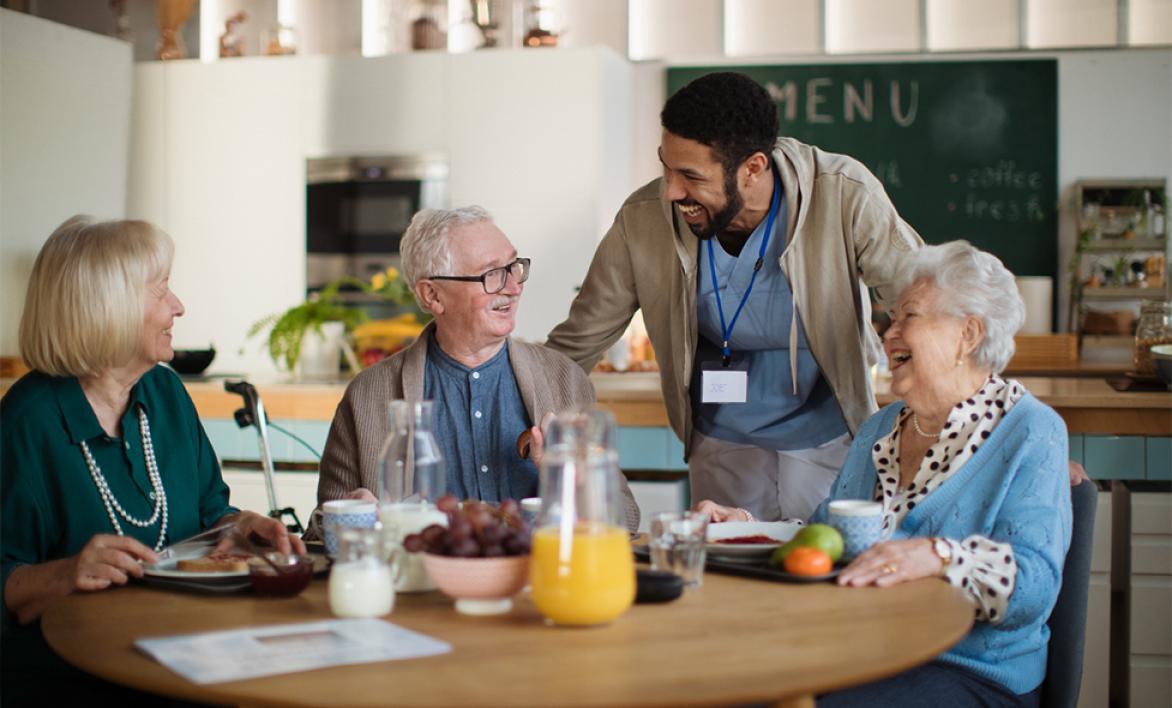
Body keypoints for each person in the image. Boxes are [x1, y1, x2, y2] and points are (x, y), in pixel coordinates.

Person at [546, 71, 923, 523]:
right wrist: (531, 410)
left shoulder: (842, 193)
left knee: (822, 565)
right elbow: (578, 340)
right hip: (721, 436)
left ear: (753, 168)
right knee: (730, 570)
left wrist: (923, 411)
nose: (671, 191)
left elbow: (923, 298)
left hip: (826, 433)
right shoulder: (643, 220)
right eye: (665, 167)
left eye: (690, 175)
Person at [713, 242, 1072, 706]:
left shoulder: (1031, 431)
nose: (888, 334)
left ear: (968, 333)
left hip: (971, 671)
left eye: (909, 317)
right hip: (865, 651)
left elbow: (1035, 588)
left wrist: (939, 555)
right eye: (890, 318)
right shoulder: (879, 429)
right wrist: (745, 530)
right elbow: (829, 540)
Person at [1, 216, 303, 704]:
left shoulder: (166, 393)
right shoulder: (29, 421)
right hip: (73, 681)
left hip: (181, 661)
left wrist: (240, 526)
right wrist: (67, 572)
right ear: (107, 306)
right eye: (160, 289)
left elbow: (208, 517)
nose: (178, 306)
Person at [316, 206, 640, 531]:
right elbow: (319, 531)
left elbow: (624, 521)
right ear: (433, 295)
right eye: (491, 274)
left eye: (513, 267)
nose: (513, 287)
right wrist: (349, 517)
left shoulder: (564, 379)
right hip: (422, 581)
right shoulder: (368, 395)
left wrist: (568, 480)